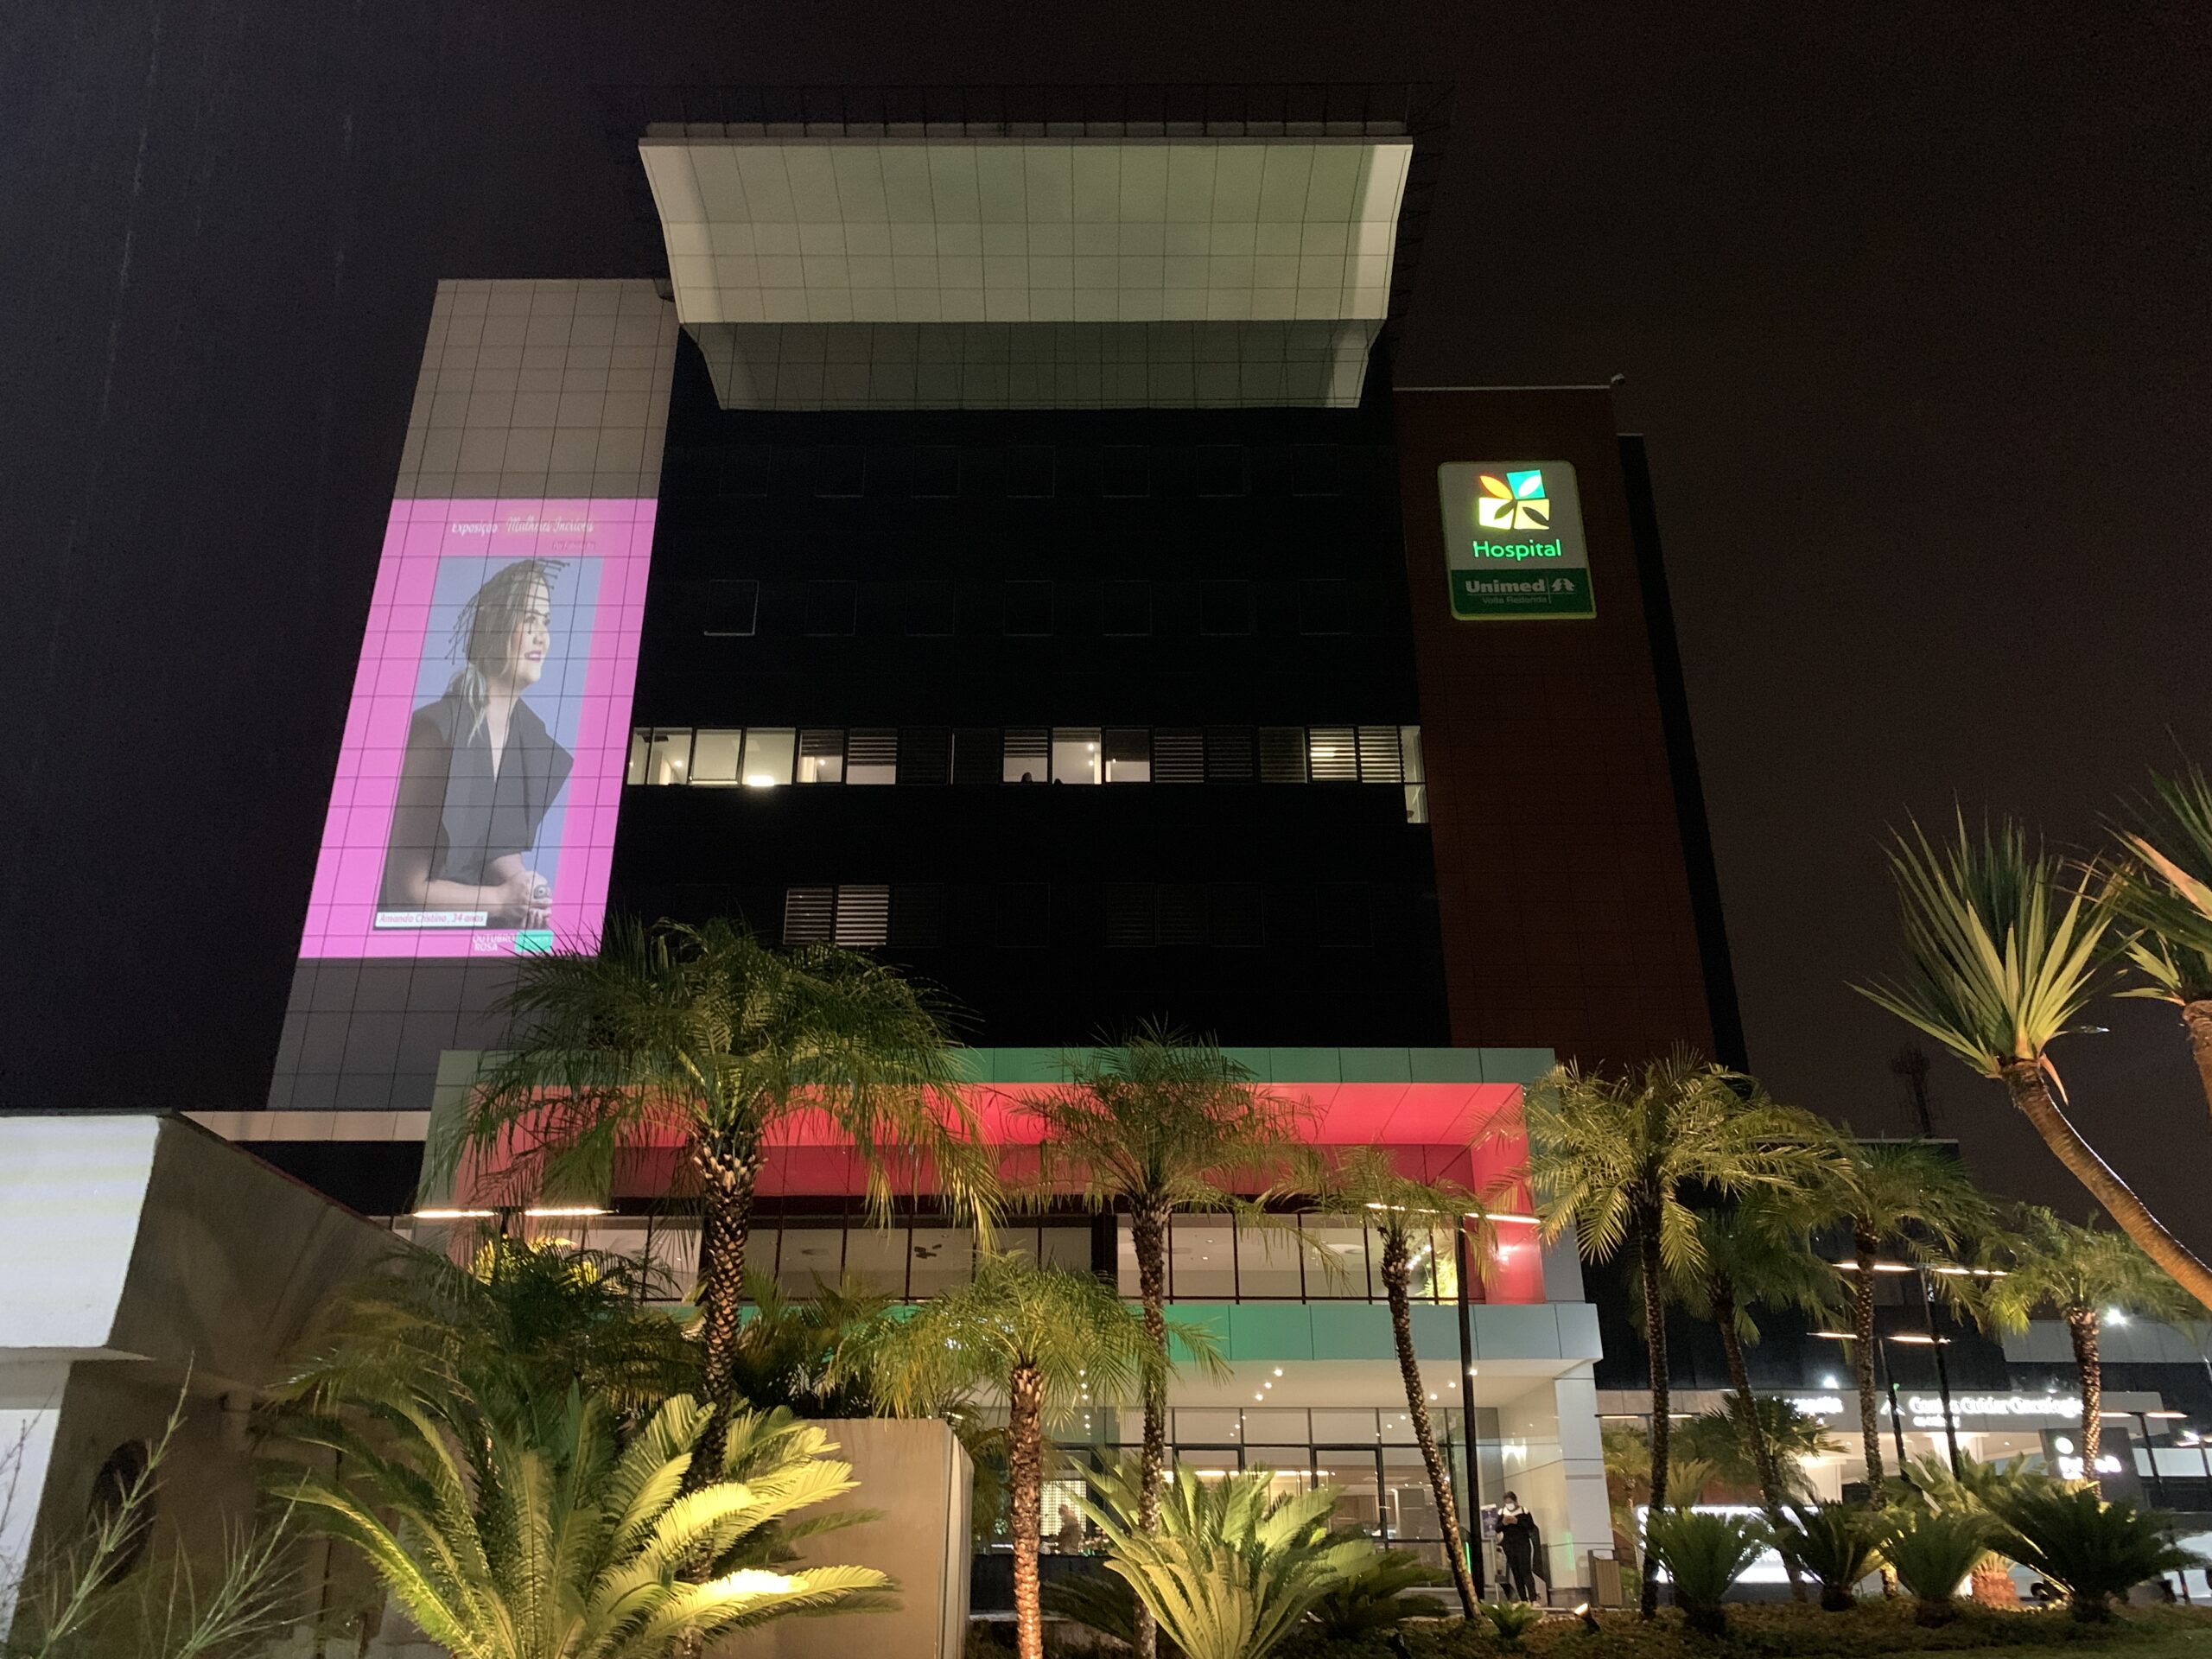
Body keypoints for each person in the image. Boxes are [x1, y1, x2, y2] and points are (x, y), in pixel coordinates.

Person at [380, 558, 573, 930]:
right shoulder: (437, 734)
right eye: (529, 619)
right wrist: (501, 900)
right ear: (494, 626)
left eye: (545, 622)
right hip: (410, 945)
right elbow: (404, 892)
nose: (541, 636)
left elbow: (495, 846)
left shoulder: (526, 738)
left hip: (481, 943)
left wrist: (526, 889)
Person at [1497, 1491, 1546, 1604]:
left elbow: (1530, 1526)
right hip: (1509, 1545)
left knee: (1526, 1571)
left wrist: (1517, 1521)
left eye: (1511, 1502)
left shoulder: (1524, 1511)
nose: (1509, 1505)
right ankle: (1523, 1599)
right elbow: (1497, 1528)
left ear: (1515, 1501)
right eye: (1507, 1503)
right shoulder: (1502, 1512)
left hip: (1523, 1544)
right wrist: (1504, 1523)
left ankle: (1533, 1598)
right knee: (1516, 1572)